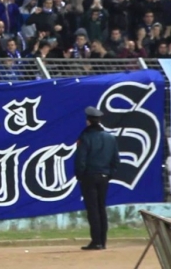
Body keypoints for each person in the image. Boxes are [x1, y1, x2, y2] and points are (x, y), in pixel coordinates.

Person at [75, 106, 120, 251]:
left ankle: (96, 241)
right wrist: (109, 174)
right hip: (104, 176)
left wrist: (80, 175)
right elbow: (115, 160)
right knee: (101, 208)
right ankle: (103, 241)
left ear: (88, 121)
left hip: (89, 176)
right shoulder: (110, 138)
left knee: (93, 209)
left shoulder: (86, 137)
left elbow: (81, 159)